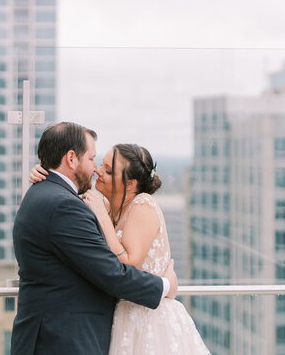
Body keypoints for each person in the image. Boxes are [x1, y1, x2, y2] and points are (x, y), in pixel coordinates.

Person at [11, 122, 179, 355]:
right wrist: (166, 285)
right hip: (63, 339)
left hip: (66, 334)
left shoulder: (45, 193)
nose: (96, 169)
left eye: (106, 169)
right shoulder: (64, 205)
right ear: (71, 159)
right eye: (92, 159)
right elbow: (111, 274)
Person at [30, 143, 210, 355]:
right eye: (100, 164)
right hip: (123, 318)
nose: (98, 171)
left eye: (107, 170)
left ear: (130, 183)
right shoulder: (109, 207)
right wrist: (39, 172)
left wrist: (100, 213)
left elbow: (128, 262)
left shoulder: (143, 205)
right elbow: (68, 188)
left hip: (150, 320)